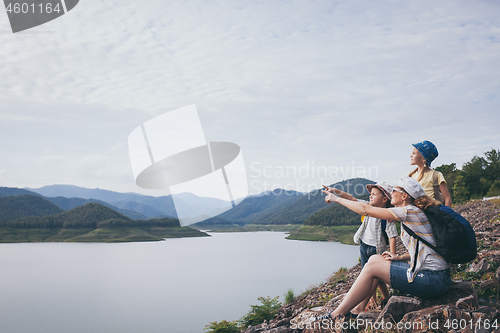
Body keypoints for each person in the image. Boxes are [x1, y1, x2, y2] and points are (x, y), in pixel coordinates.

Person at [314, 177, 451, 321]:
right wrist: (399, 257)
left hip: (434, 280)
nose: (392, 192)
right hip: (435, 277)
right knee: (374, 259)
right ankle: (358, 309)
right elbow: (422, 249)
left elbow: (366, 210)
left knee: (372, 267)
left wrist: (337, 199)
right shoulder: (411, 213)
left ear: (404, 196)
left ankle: (336, 314)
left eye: (395, 190)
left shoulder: (409, 211)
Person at [323, 182, 397, 309]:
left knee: (374, 276)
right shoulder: (367, 206)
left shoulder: (387, 215)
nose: (370, 196)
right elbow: (351, 199)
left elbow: (392, 236)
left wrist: (393, 254)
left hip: (377, 249)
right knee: (369, 275)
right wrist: (334, 190)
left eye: (374, 194)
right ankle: (381, 299)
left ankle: (377, 300)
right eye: (370, 194)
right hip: (364, 246)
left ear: (385, 199)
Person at [409, 140, 452, 207]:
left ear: (423, 158)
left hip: (431, 213)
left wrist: (445, 216)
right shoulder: (411, 175)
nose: (410, 156)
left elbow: (447, 199)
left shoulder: (436, 175)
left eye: (414, 153)